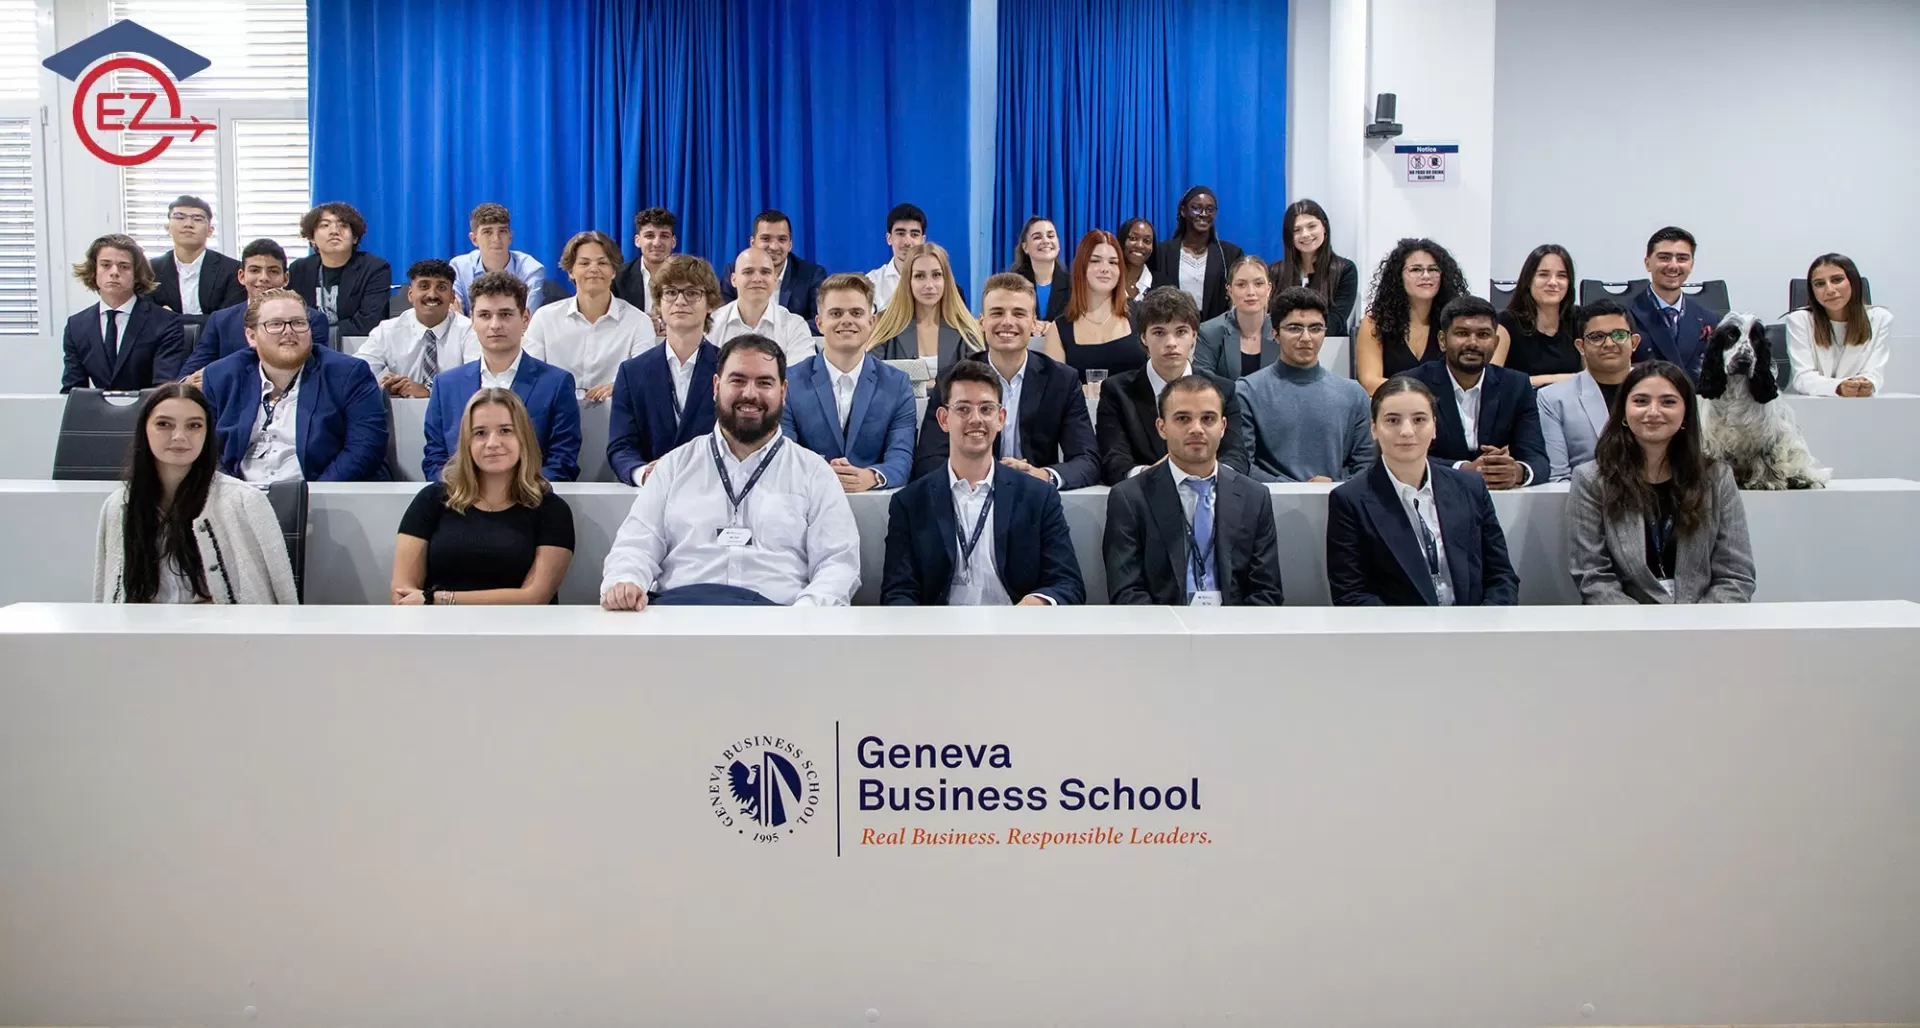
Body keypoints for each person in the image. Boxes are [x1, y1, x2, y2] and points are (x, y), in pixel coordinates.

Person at [600, 335, 861, 608]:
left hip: (777, 620)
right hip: (680, 614)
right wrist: (626, 581)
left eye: (764, 383)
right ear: (716, 386)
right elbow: (635, 545)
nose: (750, 394)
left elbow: (838, 563)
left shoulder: (814, 472)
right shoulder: (675, 466)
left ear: (783, 392)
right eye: (738, 380)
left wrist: (804, 614)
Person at [882, 361, 1085, 606]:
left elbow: (1068, 583)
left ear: (1001, 418)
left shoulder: (1038, 497)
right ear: (943, 419)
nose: (976, 419)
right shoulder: (910, 502)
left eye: (986, 409)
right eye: (963, 409)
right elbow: (898, 592)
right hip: (940, 628)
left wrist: (1035, 604)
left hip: (1015, 624)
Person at [1567, 360, 1755, 604]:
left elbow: (1736, 575)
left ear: (1686, 412)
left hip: (1705, 620)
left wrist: (1698, 622)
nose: (1653, 412)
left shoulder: (1717, 477)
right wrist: (1644, 625)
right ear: (1623, 411)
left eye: (1668, 402)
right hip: (1624, 621)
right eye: (1641, 401)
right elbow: (1592, 577)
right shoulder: (1591, 479)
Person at [92, 383, 298, 604]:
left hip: (224, 626)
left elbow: (282, 598)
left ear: (207, 433)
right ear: (144, 430)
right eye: (164, 424)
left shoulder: (244, 501)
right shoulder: (119, 505)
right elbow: (106, 597)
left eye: (194, 425)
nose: (179, 436)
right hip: (141, 626)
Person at [1325, 376, 1519, 606]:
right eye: (1393, 420)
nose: (1407, 431)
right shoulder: (1350, 500)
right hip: (1397, 627)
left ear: (1434, 427)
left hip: (1474, 623)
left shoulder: (1471, 487)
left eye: (1419, 419)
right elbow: (1351, 594)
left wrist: (1483, 622)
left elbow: (1501, 576)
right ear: (1374, 429)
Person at [1103, 375, 1283, 606]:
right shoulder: (1130, 498)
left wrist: (1233, 629)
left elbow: (1266, 591)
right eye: (1183, 419)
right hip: (1160, 626)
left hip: (1237, 625)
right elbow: (1126, 592)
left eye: (1208, 418)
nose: (1196, 429)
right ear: (1161, 427)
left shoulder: (1255, 497)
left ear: (1223, 427)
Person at [911, 274, 1098, 490]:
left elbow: (1087, 460)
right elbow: (927, 461)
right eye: (997, 313)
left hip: (1035, 496)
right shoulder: (952, 380)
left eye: (1019, 313)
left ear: (1033, 323)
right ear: (982, 322)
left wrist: (1043, 475)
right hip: (969, 493)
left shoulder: (1062, 380)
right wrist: (986, 476)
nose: (1007, 322)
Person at [393, 389, 574, 606]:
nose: (492, 443)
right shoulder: (432, 499)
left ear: (523, 438)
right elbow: (401, 592)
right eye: (480, 433)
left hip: (520, 625)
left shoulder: (552, 510)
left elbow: (534, 597)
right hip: (438, 624)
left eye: (505, 430)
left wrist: (439, 598)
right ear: (467, 442)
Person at [200, 289, 390, 484]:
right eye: (275, 324)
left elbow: (365, 448)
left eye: (298, 323)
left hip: (320, 492)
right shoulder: (221, 377)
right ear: (251, 336)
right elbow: (205, 450)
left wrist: (313, 495)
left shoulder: (348, 374)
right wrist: (232, 493)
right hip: (240, 494)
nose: (288, 331)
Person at [422, 272, 580, 483]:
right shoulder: (446, 385)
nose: (495, 325)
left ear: (525, 319)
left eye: (505, 314)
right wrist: (467, 492)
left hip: (531, 499)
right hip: (461, 499)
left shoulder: (556, 383)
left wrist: (513, 494)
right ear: (472, 320)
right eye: (485, 315)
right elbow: (435, 459)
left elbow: (562, 461)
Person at [1096, 286, 1248, 484]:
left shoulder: (1223, 390)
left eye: (1181, 332)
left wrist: (1204, 478)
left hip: (1209, 491)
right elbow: (1113, 462)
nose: (1171, 342)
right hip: (1143, 493)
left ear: (1194, 336)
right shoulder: (1116, 391)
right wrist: (1156, 476)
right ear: (1143, 337)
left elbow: (1236, 456)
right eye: (1159, 332)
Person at [780, 274, 916, 493]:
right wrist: (825, 477)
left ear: (871, 322)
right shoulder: (790, 382)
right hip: (807, 499)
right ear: (819, 323)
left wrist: (870, 476)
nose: (846, 320)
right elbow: (783, 456)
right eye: (836, 313)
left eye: (856, 313)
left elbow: (901, 459)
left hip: (874, 504)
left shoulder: (897, 384)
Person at [1401, 296, 1546, 489]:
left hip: (1498, 497)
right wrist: (1462, 469)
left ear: (1495, 343)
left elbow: (1538, 459)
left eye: (1483, 335)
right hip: (1431, 491)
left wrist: (1517, 471)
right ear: (1442, 340)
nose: (1473, 343)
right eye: (1462, 333)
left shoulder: (1516, 385)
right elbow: (1400, 455)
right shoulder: (1412, 385)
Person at [1236, 287, 1375, 483]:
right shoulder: (1247, 392)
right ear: (1274, 333)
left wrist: (1336, 487)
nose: (1306, 338)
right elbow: (1242, 465)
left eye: (1316, 328)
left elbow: (1366, 465)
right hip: (1270, 498)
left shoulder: (1354, 395)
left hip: (1339, 499)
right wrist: (1297, 490)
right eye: (1294, 328)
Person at [607, 255, 723, 485]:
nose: (680, 301)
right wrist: (643, 473)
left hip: (714, 488)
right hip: (650, 493)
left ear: (710, 304)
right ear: (658, 303)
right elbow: (620, 446)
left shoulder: (729, 367)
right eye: (670, 292)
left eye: (692, 293)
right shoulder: (632, 372)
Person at [523, 230, 655, 402]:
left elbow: (643, 380)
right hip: (556, 410)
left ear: (614, 271)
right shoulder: (544, 318)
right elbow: (530, 377)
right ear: (571, 271)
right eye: (584, 263)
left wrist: (620, 387)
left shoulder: (639, 322)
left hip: (617, 410)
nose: (594, 269)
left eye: (602, 263)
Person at [1354, 238, 1492, 395]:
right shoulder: (1374, 323)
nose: (1426, 275)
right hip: (1394, 404)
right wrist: (1424, 393)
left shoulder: (1455, 322)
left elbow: (1470, 378)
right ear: (1399, 277)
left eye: (1433, 269)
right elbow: (1370, 382)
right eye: (1415, 269)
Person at [181, 239, 331, 380]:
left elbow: (315, 371)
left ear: (286, 278)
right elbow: (191, 370)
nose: (264, 277)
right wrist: (188, 382)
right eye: (255, 270)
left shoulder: (312, 319)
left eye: (273, 271)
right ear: (241, 276)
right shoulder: (220, 320)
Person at [60, 234, 186, 392]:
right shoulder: (76, 326)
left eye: (124, 266)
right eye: (106, 265)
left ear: (136, 274)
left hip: (149, 406)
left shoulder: (166, 322)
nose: (114, 272)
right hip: (96, 407)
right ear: (94, 270)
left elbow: (164, 389)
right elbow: (72, 390)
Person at [1538, 298, 1638, 482]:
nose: (1609, 343)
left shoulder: (1660, 391)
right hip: (1584, 496)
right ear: (1581, 346)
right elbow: (1558, 477)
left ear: (1634, 342)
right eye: (1597, 337)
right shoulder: (1552, 398)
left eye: (1619, 335)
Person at [354, 258, 475, 397]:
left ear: (453, 296)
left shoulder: (469, 331)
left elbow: (476, 380)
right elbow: (355, 373)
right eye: (424, 286)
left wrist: (429, 391)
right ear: (410, 294)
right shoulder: (387, 331)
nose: (432, 295)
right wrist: (382, 385)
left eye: (441, 287)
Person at [1041, 230, 1147, 382]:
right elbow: (1055, 388)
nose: (1105, 269)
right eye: (1095, 261)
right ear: (1081, 267)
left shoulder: (1142, 316)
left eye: (1113, 262)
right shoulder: (1059, 329)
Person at [1786, 253, 1892, 397]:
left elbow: (1874, 374)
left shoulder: (1880, 319)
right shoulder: (1799, 320)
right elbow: (1803, 378)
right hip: (1809, 404)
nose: (1829, 290)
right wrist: (1839, 387)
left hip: (1860, 404)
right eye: (1819, 284)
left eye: (1837, 280)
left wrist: (1867, 384)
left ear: (1853, 282)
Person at [868, 242, 983, 375]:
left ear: (946, 280)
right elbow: (870, 376)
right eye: (919, 276)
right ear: (908, 281)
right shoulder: (887, 327)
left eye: (936, 275)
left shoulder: (966, 331)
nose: (929, 285)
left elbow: (979, 380)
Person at [1628, 227, 1722, 381]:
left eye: (1682, 258)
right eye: (1664, 258)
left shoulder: (1710, 319)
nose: (1673, 266)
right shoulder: (1625, 316)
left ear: (1691, 264)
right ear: (1647, 263)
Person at [288, 202, 393, 337]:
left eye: (343, 225)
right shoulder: (299, 269)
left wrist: (314, 332)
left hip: (356, 345)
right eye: (324, 225)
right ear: (312, 238)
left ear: (355, 238)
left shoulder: (374, 268)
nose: (334, 231)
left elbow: (369, 322)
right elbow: (291, 317)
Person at [1146, 186, 1244, 321]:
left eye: (1210, 209)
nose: (1203, 214)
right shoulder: (1162, 253)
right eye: (1196, 208)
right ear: (1183, 211)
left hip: (1217, 330)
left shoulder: (1231, 254)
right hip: (1172, 327)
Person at [711, 246, 816, 365]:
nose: (757, 279)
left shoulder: (795, 326)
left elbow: (800, 374)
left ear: (775, 280)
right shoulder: (712, 324)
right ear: (733, 280)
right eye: (748, 272)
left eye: (765, 272)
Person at [148, 195, 244, 325]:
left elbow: (227, 320)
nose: (188, 224)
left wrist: (173, 318)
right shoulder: (150, 270)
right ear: (167, 227)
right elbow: (149, 319)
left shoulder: (232, 270)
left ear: (210, 230)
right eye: (180, 217)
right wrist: (207, 318)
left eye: (197, 219)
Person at [718, 209, 829, 322]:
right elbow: (723, 319)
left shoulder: (812, 275)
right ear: (752, 243)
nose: (774, 247)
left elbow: (820, 322)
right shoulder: (736, 270)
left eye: (782, 239)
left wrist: (779, 330)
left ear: (790, 245)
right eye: (766, 239)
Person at [1267, 200, 1357, 335]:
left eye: (1311, 226)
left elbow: (1336, 321)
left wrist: (1305, 336)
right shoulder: (1274, 272)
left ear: (1324, 227)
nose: (1305, 234)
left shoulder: (1345, 270)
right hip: (1282, 345)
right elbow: (1271, 318)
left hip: (1329, 344)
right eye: (1296, 230)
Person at [1498, 244, 1581, 387]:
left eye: (1561, 276)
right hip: (1523, 399)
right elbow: (1493, 381)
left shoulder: (1579, 319)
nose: (1553, 282)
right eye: (1543, 275)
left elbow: (1591, 377)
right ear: (1528, 280)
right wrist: (1559, 379)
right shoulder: (1506, 322)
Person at [451, 203, 546, 314]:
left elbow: (527, 319)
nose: (496, 239)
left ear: (510, 237)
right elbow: (455, 318)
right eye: (487, 232)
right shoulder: (458, 267)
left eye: (502, 231)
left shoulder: (532, 270)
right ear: (474, 239)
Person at [1194, 254, 1278, 379]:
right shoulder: (1208, 332)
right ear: (1230, 291)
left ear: (1269, 289)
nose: (1251, 292)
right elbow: (1203, 379)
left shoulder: (1282, 330)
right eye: (1241, 285)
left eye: (1258, 284)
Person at [613, 206, 678, 319]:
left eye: (664, 236)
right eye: (649, 236)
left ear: (673, 242)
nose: (657, 243)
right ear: (637, 241)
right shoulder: (617, 278)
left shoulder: (689, 277)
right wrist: (642, 325)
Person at [866, 203, 926, 312]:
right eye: (901, 234)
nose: (907, 242)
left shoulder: (937, 282)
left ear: (923, 240)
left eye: (914, 235)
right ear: (889, 238)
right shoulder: (872, 282)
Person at [1009, 216, 1070, 322]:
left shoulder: (1074, 286)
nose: (1046, 241)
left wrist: (1054, 328)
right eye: (1037, 237)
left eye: (1050, 236)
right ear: (1025, 247)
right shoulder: (1010, 285)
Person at [1118, 217, 1155, 302]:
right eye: (1133, 238)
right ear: (1122, 240)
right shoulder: (1108, 279)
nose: (1140, 245)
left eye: (1147, 241)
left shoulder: (1164, 284)